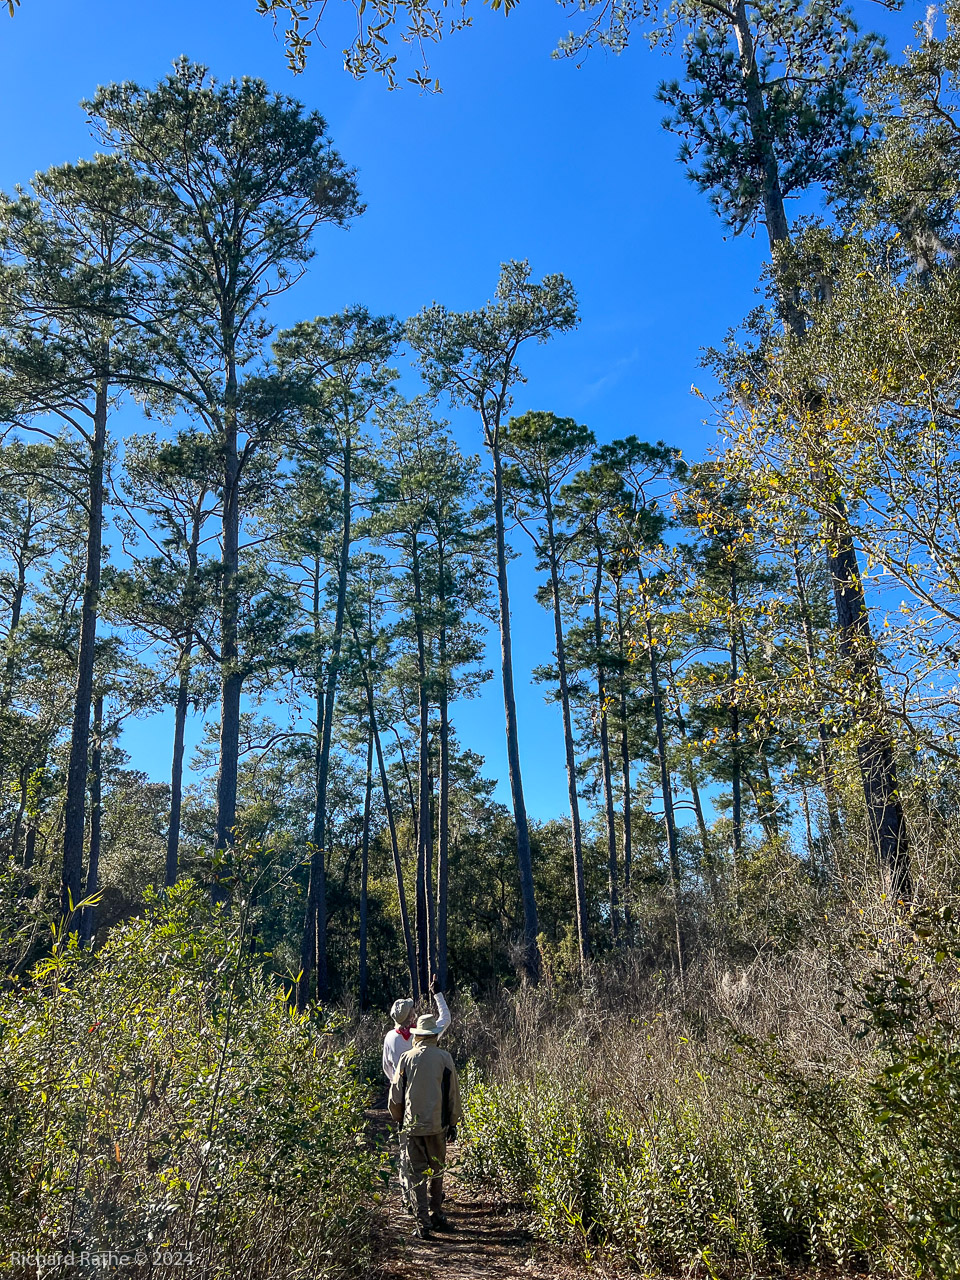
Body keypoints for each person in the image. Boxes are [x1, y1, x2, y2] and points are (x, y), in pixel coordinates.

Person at [388, 1012, 463, 1240]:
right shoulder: (444, 1058)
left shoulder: (407, 1058)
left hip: (412, 1126)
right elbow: (453, 1094)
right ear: (434, 1035)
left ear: (418, 1035)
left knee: (415, 1174)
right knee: (437, 1171)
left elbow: (396, 1095)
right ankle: (437, 1213)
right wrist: (452, 1123)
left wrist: (399, 1119)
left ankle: (423, 1223)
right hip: (437, 1127)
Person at [382, 977, 450, 1217]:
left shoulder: (390, 1039)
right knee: (436, 1164)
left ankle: (411, 1203)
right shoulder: (427, 1043)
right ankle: (436, 1209)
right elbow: (445, 1020)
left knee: (409, 1161)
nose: (415, 1012)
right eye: (413, 1010)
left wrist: (397, 1106)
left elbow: (388, 1072)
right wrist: (437, 994)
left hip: (406, 1109)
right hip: (433, 1113)